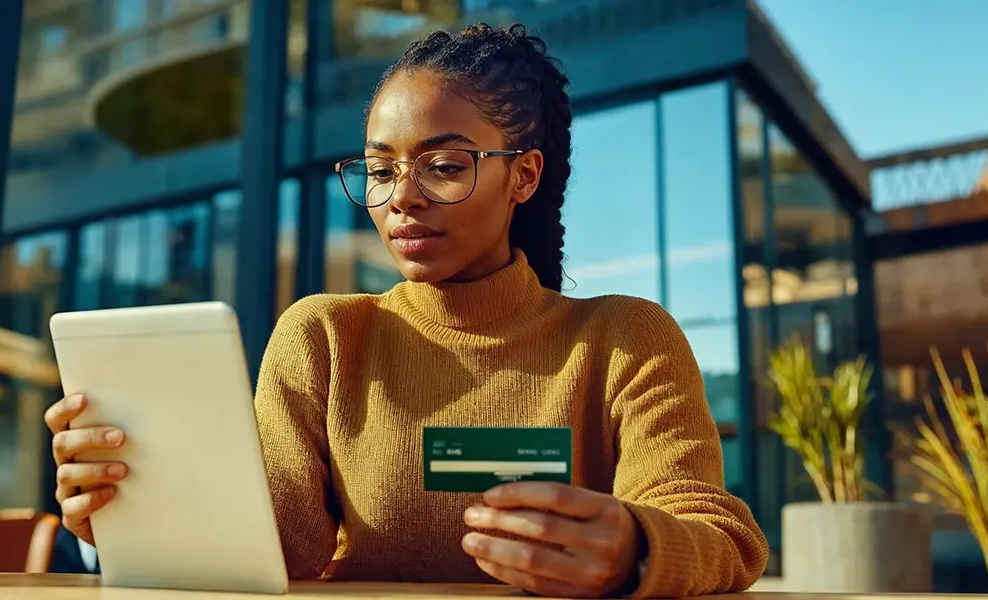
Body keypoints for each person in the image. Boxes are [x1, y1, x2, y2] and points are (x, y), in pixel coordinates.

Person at [44, 23, 768, 598]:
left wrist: (634, 550)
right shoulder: (324, 337)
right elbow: (274, 551)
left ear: (523, 174)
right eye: (381, 169)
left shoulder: (622, 340)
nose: (402, 197)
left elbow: (718, 534)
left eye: (444, 166)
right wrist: (124, 516)